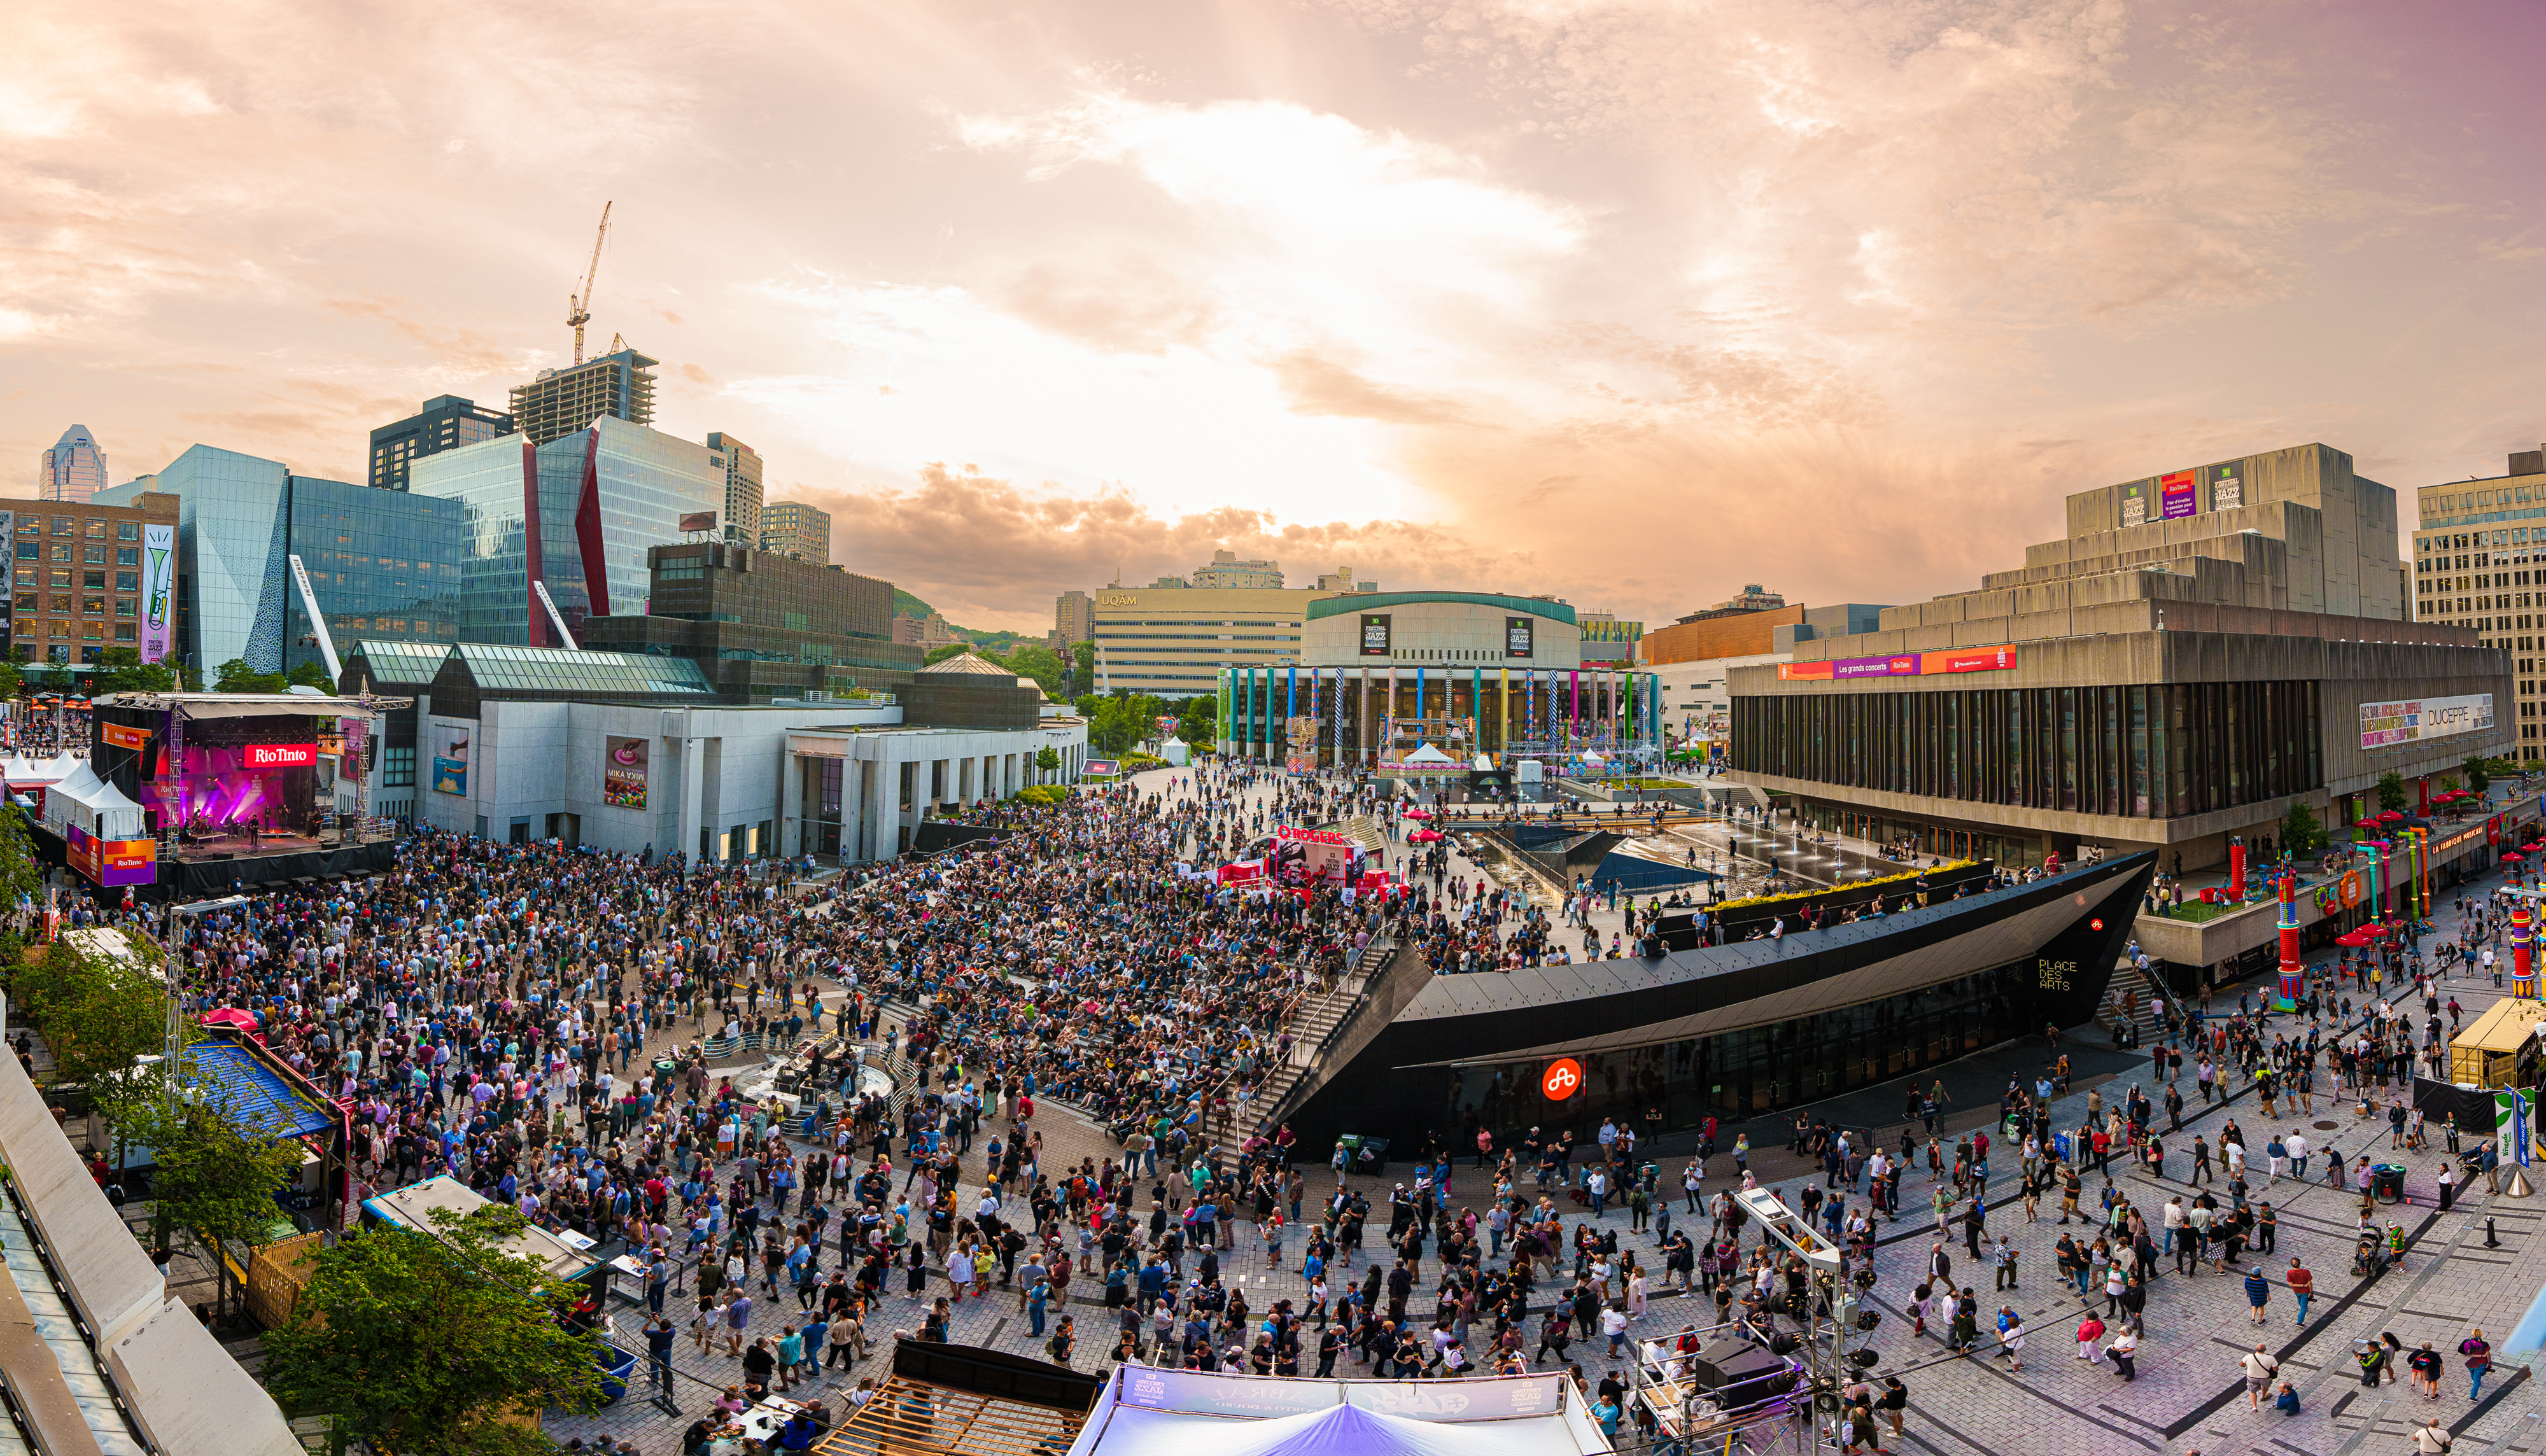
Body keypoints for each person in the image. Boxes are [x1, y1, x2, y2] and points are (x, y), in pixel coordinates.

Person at [2240, 1345, 2280, 1410]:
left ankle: (2254, 1407)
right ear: (2265, 1350)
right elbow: (2276, 1370)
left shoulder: (2249, 1357)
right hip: (2265, 1377)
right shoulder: (2271, 1358)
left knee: (2252, 1391)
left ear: (2256, 1349)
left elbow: (2241, 1364)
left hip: (2251, 1377)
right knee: (2265, 1386)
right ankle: (2264, 1396)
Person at [2463, 1328, 2494, 1400]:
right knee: (2478, 1380)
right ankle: (2473, 1397)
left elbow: (2468, 1353)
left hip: (2471, 1363)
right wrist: (2489, 1362)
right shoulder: (2485, 1344)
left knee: (2473, 1372)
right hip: (2481, 1363)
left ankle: (2473, 1379)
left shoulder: (2469, 1343)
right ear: (2481, 1335)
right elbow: (2488, 1354)